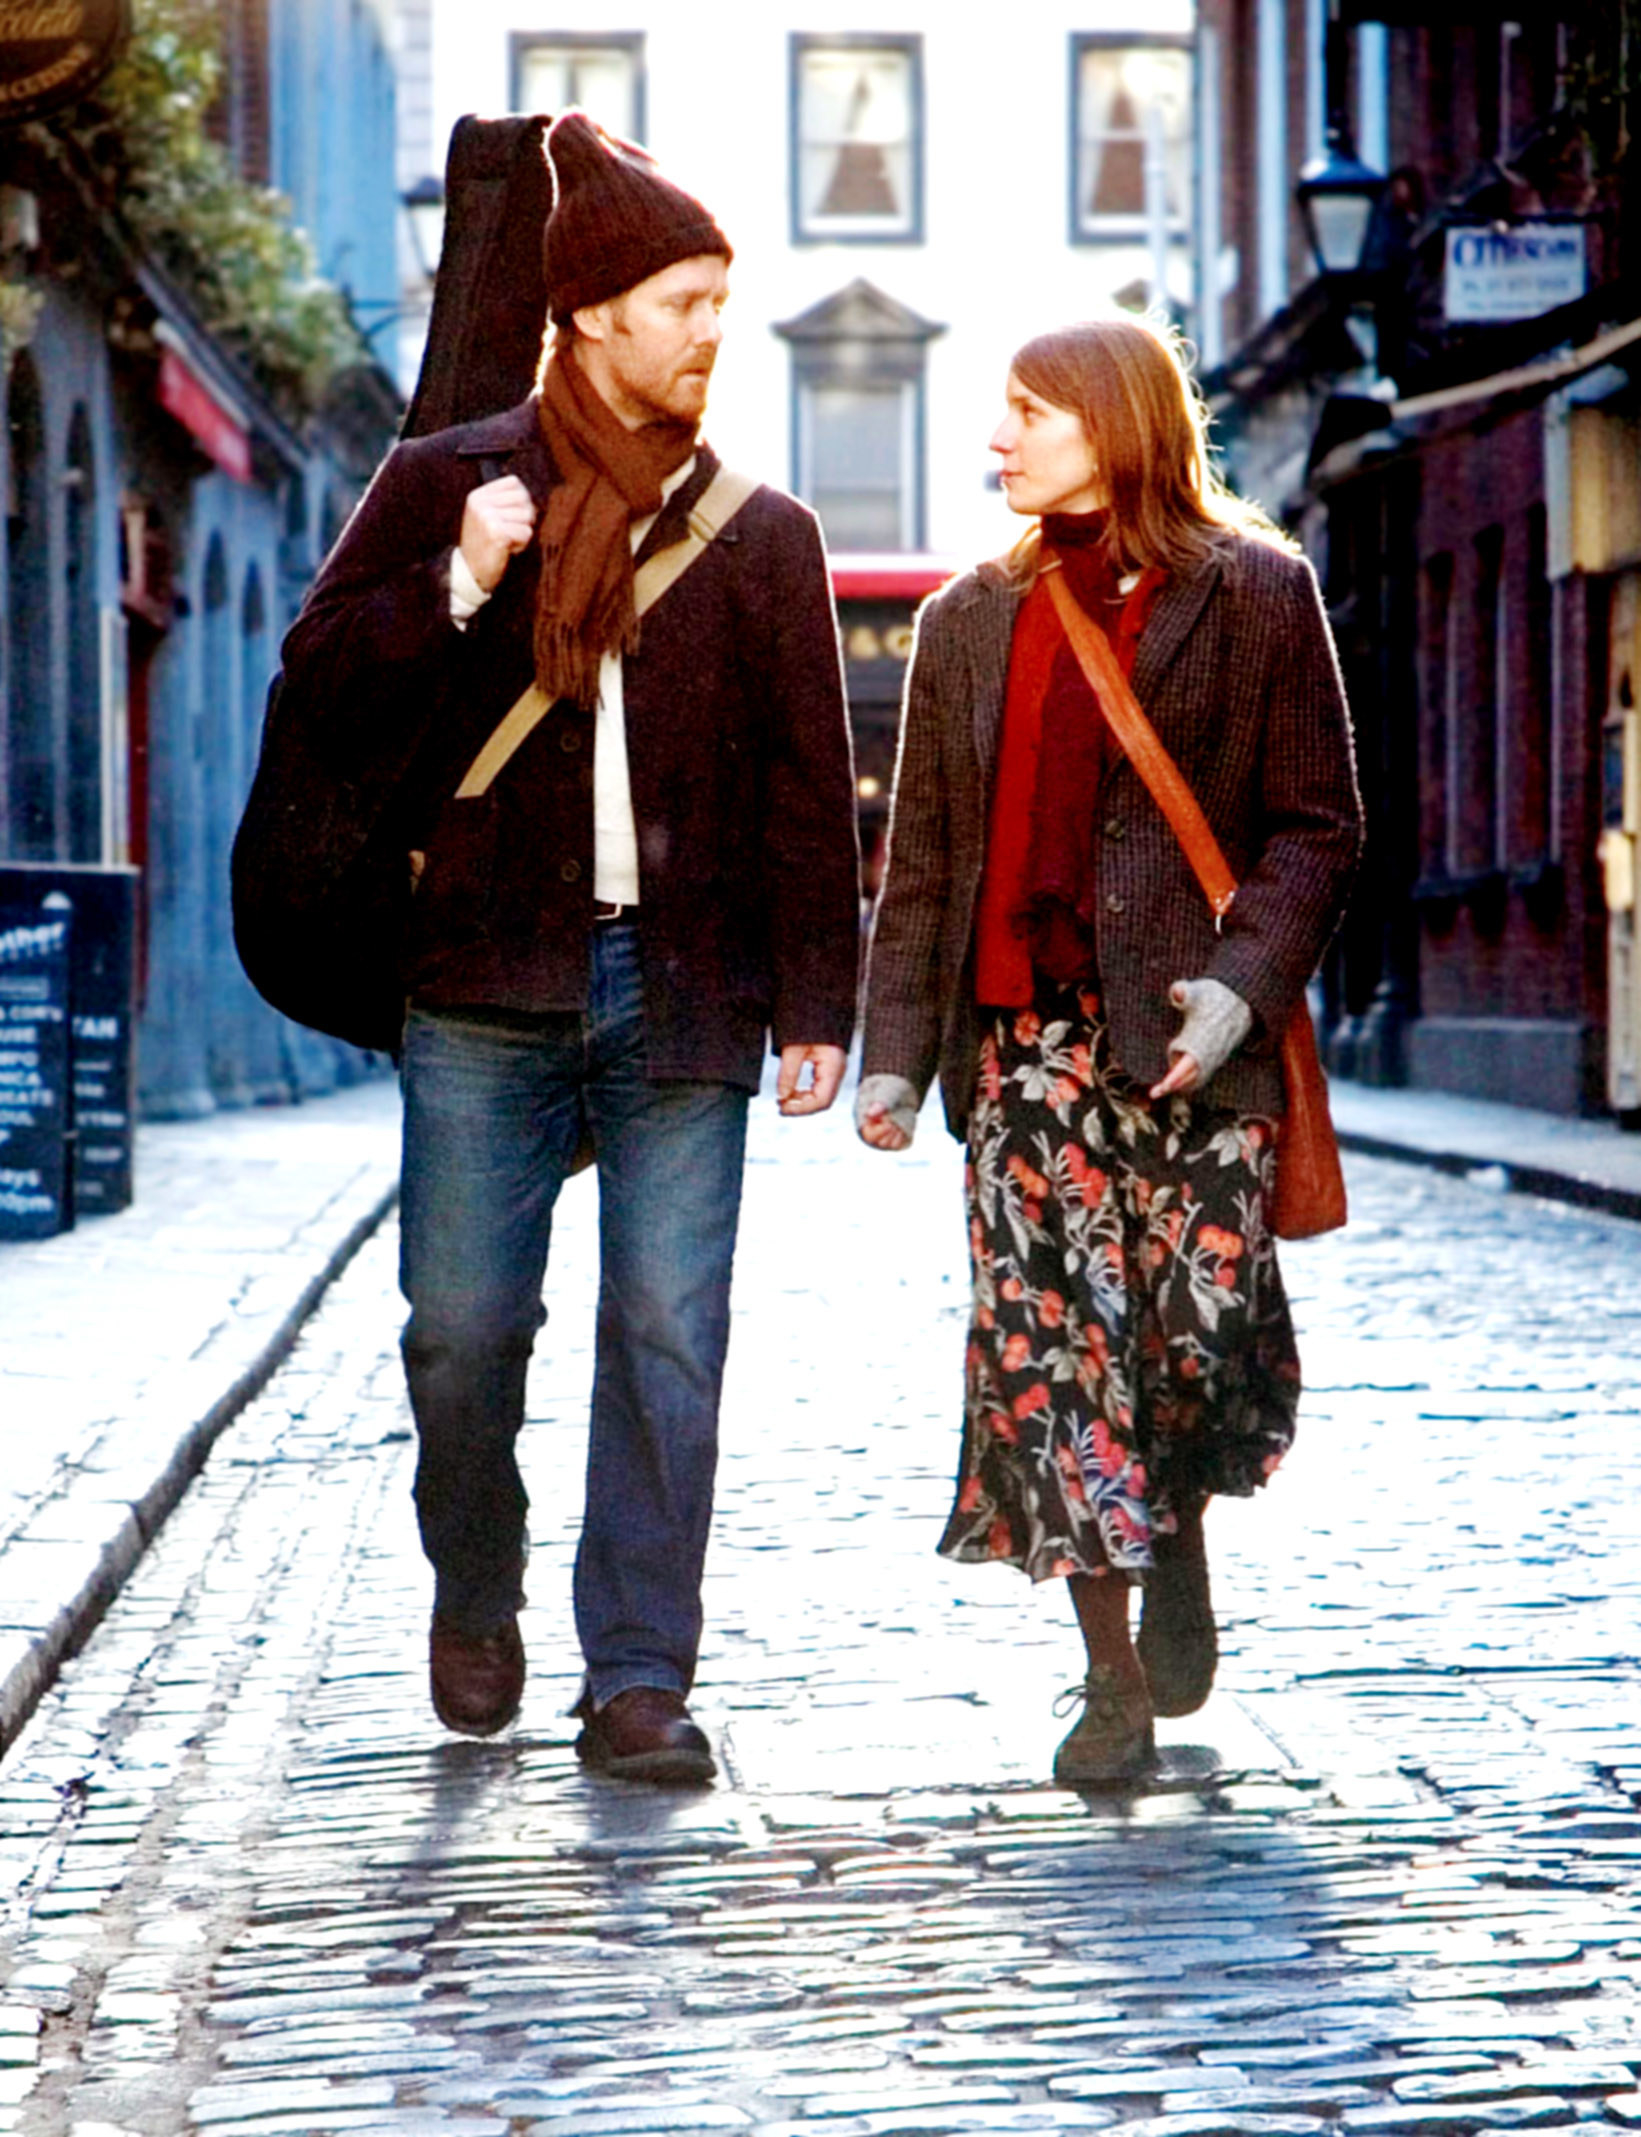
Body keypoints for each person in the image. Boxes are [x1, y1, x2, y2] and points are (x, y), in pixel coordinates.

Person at [279, 112, 859, 1782]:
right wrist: (454, 586)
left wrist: (815, 996)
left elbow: (807, 787)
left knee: (669, 1333)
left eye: (717, 301)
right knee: (460, 1330)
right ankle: (477, 1577)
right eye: (683, 297)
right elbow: (317, 691)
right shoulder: (448, 477)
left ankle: (637, 1678)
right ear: (594, 310)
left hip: (681, 991)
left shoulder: (761, 532)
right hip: (481, 981)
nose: (707, 330)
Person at [855, 315, 1362, 1785]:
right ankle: (1109, 1673)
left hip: (1192, 1048)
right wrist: (896, 1054)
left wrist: (1238, 988)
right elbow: (928, 862)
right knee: (1051, 1357)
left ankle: (1179, 1528)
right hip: (1023, 1051)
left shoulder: (1258, 594)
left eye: (1026, 414)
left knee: (1188, 1350)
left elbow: (1317, 826)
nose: (997, 442)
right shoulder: (965, 621)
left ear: (1114, 424)